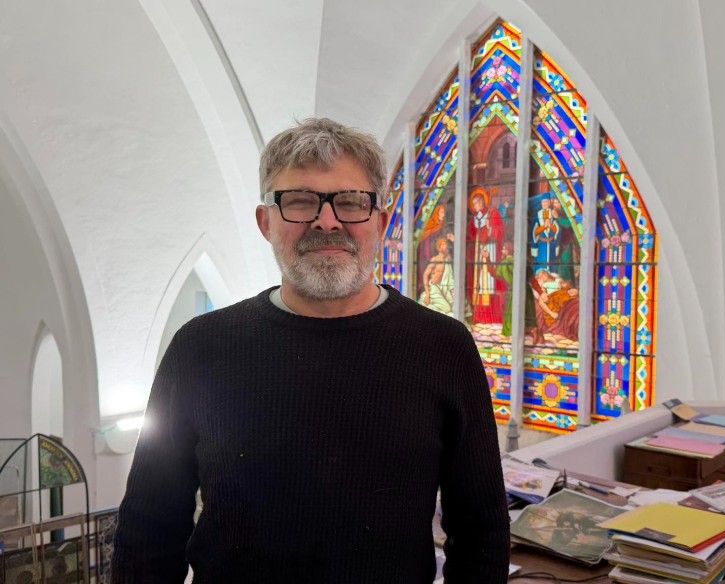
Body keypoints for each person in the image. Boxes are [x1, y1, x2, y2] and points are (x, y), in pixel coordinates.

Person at [111, 118, 510, 583]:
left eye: (351, 202)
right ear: (266, 222)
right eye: (299, 201)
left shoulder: (443, 347)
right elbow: (148, 530)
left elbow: (481, 530)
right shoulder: (200, 347)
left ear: (380, 221)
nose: (327, 221)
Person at [466, 189, 506, 324]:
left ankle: (491, 316)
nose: (477, 205)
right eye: (475, 203)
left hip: (490, 249)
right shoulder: (474, 220)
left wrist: (489, 229)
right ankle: (478, 316)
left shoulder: (492, 213)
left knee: (489, 281)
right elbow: (470, 236)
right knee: (478, 282)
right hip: (477, 252)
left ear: (483, 201)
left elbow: (500, 232)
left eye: (479, 202)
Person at [418, 237, 455, 316]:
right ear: (440, 247)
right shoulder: (435, 259)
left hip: (444, 289)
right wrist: (428, 293)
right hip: (434, 289)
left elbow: (450, 279)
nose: (446, 246)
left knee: (452, 307)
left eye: (446, 245)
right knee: (447, 308)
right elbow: (425, 275)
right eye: (444, 244)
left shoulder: (448, 260)